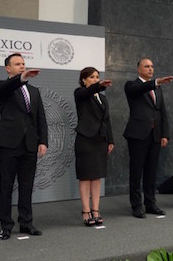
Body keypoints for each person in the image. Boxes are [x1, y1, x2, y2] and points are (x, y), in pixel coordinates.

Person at [0, 53, 48, 240]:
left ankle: (26, 223)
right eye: (17, 64)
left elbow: (41, 118)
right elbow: (9, 86)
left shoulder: (34, 91)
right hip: (8, 144)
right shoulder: (1, 86)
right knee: (6, 186)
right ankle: (6, 225)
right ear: (8, 68)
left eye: (23, 64)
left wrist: (43, 141)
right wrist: (21, 79)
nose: (22, 66)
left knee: (27, 186)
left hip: (30, 144)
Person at [124, 58, 173, 218]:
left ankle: (150, 203)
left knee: (151, 171)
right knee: (136, 171)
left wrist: (164, 134)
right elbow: (138, 90)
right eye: (146, 66)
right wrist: (156, 82)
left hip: (155, 135)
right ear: (139, 69)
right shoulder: (131, 85)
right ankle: (136, 205)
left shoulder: (157, 88)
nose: (150, 69)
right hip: (138, 135)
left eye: (152, 66)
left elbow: (162, 112)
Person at [74, 67, 114, 226]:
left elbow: (107, 120)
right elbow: (87, 92)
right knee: (85, 177)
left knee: (96, 177)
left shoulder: (103, 99)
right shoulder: (80, 94)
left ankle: (96, 210)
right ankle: (86, 211)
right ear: (84, 80)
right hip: (85, 140)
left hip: (100, 140)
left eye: (97, 77)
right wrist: (99, 85)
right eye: (92, 77)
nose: (96, 79)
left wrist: (110, 140)